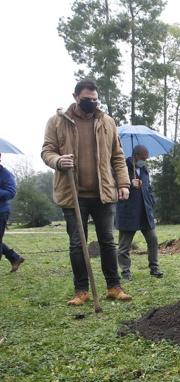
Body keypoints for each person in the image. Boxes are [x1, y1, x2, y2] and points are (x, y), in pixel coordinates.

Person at [41, 79, 132, 305]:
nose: (91, 103)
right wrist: (58, 160)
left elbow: (117, 156)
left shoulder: (107, 122)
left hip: (103, 193)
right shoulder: (57, 122)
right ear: (75, 96)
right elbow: (47, 151)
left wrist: (123, 184)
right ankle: (81, 290)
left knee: (108, 241)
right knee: (77, 243)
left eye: (94, 100)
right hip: (73, 194)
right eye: (86, 100)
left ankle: (114, 286)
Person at [115, 145, 163, 280]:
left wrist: (151, 201)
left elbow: (149, 187)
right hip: (128, 212)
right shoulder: (122, 167)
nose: (145, 161)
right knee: (124, 246)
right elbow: (113, 186)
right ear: (135, 156)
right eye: (143, 158)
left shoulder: (144, 169)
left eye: (146, 158)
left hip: (145, 213)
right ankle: (125, 271)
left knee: (153, 240)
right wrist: (129, 183)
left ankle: (154, 268)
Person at [0, 153, 25, 272]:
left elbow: (11, 192)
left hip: (1, 212)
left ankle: (14, 258)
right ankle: (14, 258)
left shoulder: (6, 175)